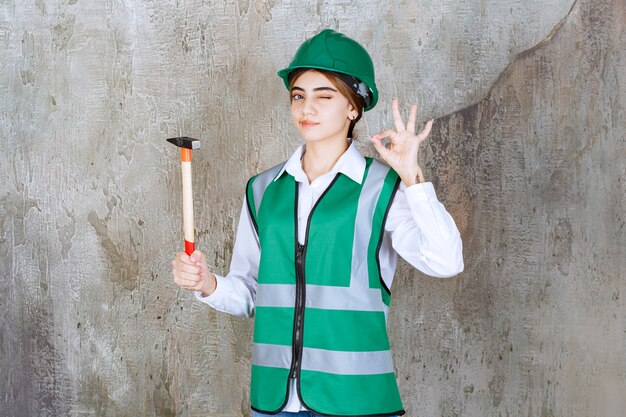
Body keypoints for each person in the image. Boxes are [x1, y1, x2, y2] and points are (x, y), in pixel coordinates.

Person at [172, 29, 463, 417]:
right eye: (298, 96)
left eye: (324, 96)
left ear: (353, 107)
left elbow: (446, 262)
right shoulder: (263, 191)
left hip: (356, 402)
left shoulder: (384, 188)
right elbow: (250, 294)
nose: (307, 108)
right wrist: (206, 284)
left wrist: (413, 178)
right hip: (273, 403)